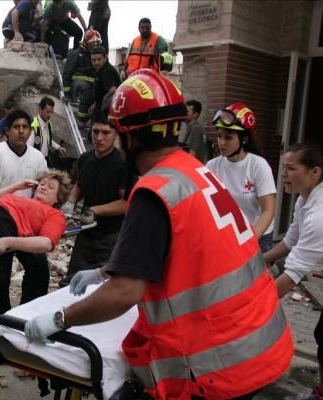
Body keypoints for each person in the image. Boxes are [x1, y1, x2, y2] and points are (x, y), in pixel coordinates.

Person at [24, 69, 293, 400]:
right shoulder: (196, 171)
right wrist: (105, 271)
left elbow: (125, 293)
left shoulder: (155, 191)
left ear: (129, 136)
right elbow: (183, 248)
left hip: (222, 362)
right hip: (262, 340)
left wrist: (60, 318)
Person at [263, 143, 323, 400]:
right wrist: (256, 261)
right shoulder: (304, 200)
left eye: (291, 168)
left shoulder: (319, 215)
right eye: (283, 168)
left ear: (314, 173)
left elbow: (293, 272)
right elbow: (290, 242)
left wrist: (255, 305)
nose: (283, 174)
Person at [0, 109, 48, 316]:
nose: (21, 132)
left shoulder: (37, 157)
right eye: (16, 127)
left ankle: (28, 310)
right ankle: (1, 315)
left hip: (27, 224)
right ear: (7, 130)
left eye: (25, 127)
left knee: (38, 267)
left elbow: (42, 191)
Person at [59, 114, 128, 286]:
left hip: (111, 236)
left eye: (105, 133)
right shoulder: (85, 159)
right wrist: (70, 202)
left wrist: (95, 210)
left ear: (115, 134)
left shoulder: (123, 163)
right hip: (86, 232)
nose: (99, 138)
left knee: (104, 286)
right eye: (95, 132)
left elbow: (126, 203)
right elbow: (80, 185)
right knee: (72, 282)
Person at [206, 102, 276, 252]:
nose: (222, 143)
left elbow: (268, 211)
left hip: (258, 235)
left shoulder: (258, 165)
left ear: (244, 139)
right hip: (229, 235)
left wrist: (249, 241)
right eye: (219, 136)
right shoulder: (212, 166)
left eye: (228, 138)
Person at [0, 170, 71, 257]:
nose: (43, 187)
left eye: (50, 187)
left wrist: (7, 242)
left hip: (1, 222)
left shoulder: (55, 214)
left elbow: (46, 243)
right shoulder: (20, 198)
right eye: (42, 184)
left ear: (58, 197)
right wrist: (16, 186)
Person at [62, 29, 102, 125]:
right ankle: (82, 119)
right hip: (77, 86)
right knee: (87, 90)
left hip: (91, 84)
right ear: (86, 43)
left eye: (97, 44)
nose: (95, 46)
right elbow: (67, 74)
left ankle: (95, 119)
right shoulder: (76, 54)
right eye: (92, 44)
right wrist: (66, 94)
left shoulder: (95, 57)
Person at [29, 97, 66, 165]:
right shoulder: (33, 127)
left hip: (45, 159)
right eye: (48, 112)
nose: (50, 115)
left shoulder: (48, 124)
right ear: (40, 109)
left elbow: (48, 139)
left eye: (51, 112)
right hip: (35, 162)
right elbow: (28, 148)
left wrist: (58, 147)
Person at [89, 45, 121, 124]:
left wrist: (102, 110)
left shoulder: (106, 71)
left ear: (105, 58)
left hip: (105, 112)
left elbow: (113, 91)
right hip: (101, 108)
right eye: (94, 60)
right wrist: (95, 104)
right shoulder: (101, 70)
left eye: (99, 59)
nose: (96, 62)